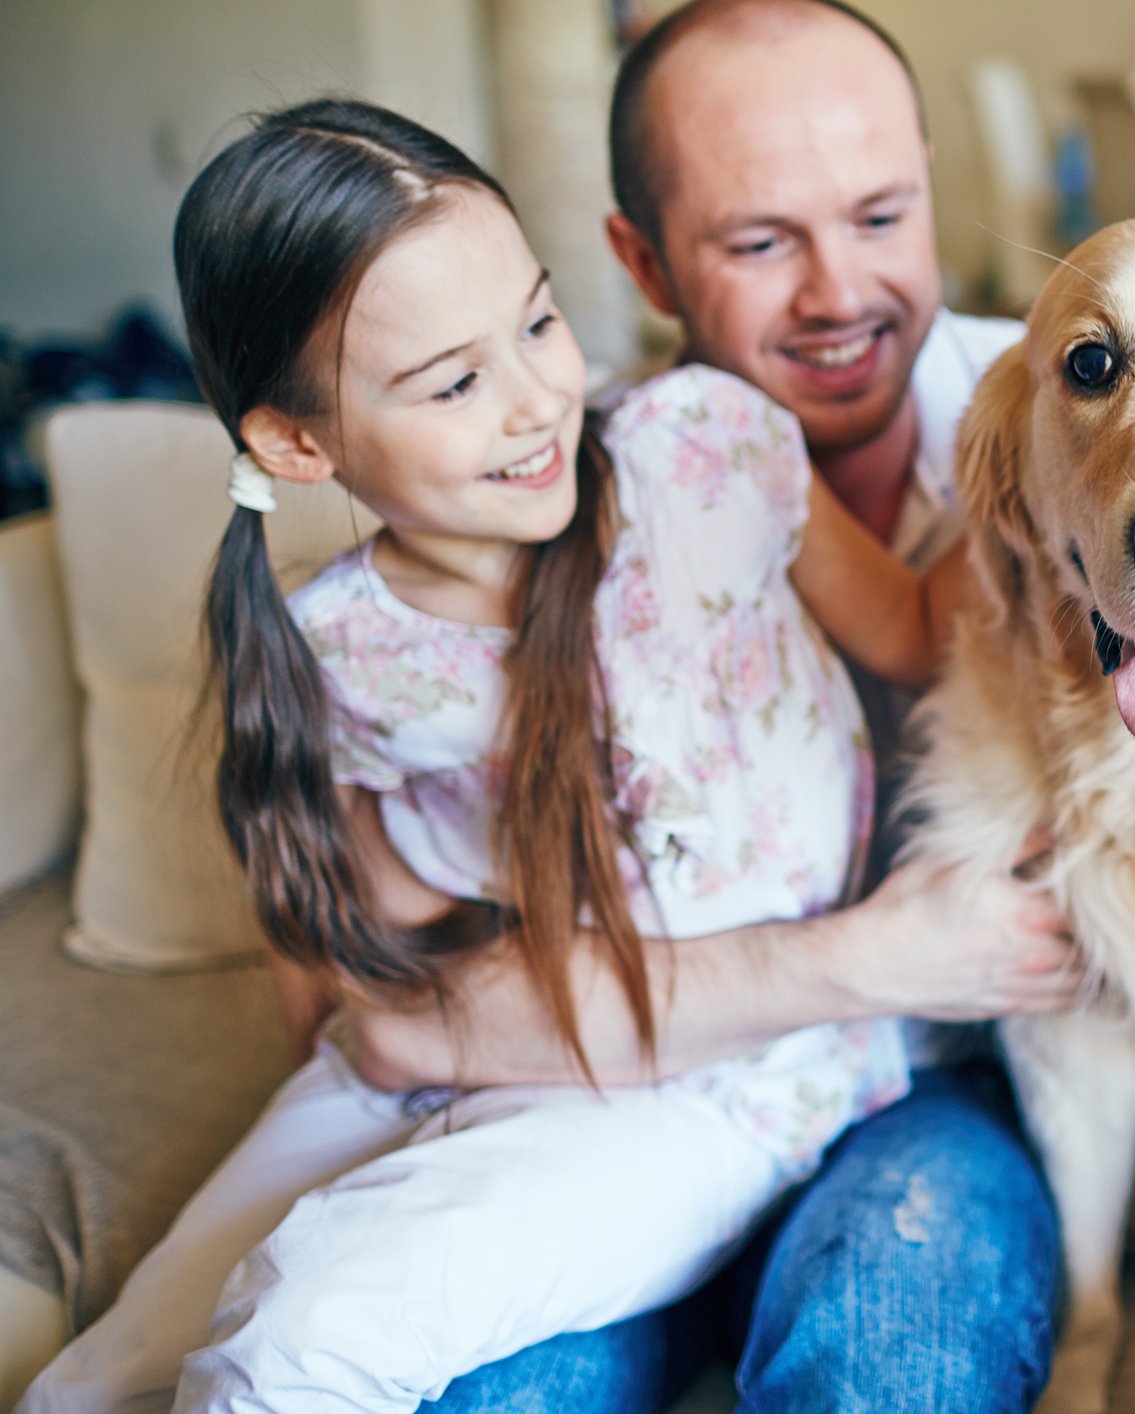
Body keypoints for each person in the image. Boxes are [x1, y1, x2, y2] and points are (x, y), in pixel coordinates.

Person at [332, 2, 1135, 1409]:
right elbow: (381, 1002)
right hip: (608, 1106)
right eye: (757, 239)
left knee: (884, 1368)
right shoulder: (534, 498)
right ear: (642, 260)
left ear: (930, 189)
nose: (838, 290)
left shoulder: (1050, 377)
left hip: (924, 1107)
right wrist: (867, 959)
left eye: (879, 213)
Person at [22, 97, 1059, 1412]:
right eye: (454, 382)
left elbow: (917, 628)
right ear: (297, 441)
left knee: (304, 1336)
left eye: (537, 322)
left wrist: (1066, 450)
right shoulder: (336, 645)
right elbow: (368, 964)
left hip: (737, 1073)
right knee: (112, 1371)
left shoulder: (703, 448)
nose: (533, 404)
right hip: (497, 1043)